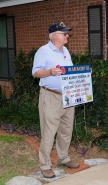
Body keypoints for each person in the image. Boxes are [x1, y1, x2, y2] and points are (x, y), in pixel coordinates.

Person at [32, 21, 79, 178]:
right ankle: (45, 165)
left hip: (67, 96)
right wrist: (50, 72)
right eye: (64, 33)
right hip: (50, 96)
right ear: (54, 36)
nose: (67, 36)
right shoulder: (43, 51)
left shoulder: (65, 51)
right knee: (49, 131)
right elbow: (36, 73)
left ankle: (63, 158)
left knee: (66, 130)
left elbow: (69, 71)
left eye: (67, 33)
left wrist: (83, 74)